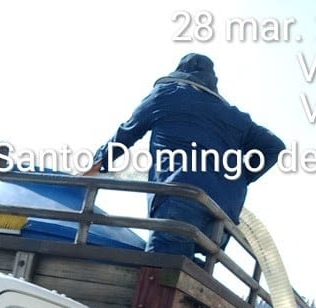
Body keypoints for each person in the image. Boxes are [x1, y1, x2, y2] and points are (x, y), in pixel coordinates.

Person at [81, 53, 285, 258]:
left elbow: (126, 133)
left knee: (159, 269)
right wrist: (238, 176)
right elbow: (274, 147)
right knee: (189, 272)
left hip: (181, 201)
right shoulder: (235, 117)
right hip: (222, 218)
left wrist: (96, 165)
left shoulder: (166, 94)